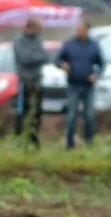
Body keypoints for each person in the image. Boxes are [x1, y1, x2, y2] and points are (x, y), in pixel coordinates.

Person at [57, 20, 105, 149]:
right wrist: (62, 64)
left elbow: (101, 64)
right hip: (73, 85)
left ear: (87, 31)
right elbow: (58, 59)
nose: (78, 31)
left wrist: (97, 74)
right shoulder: (69, 44)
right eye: (77, 28)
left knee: (89, 115)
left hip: (88, 86)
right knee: (72, 115)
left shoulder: (94, 46)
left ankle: (89, 143)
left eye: (81, 29)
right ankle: (69, 145)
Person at [12, 18, 49, 146]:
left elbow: (45, 56)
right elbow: (25, 59)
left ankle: (33, 138)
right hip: (25, 82)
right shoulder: (19, 41)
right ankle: (21, 138)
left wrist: (34, 57)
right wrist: (36, 57)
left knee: (37, 112)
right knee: (23, 112)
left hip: (37, 82)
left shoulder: (37, 40)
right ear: (29, 28)